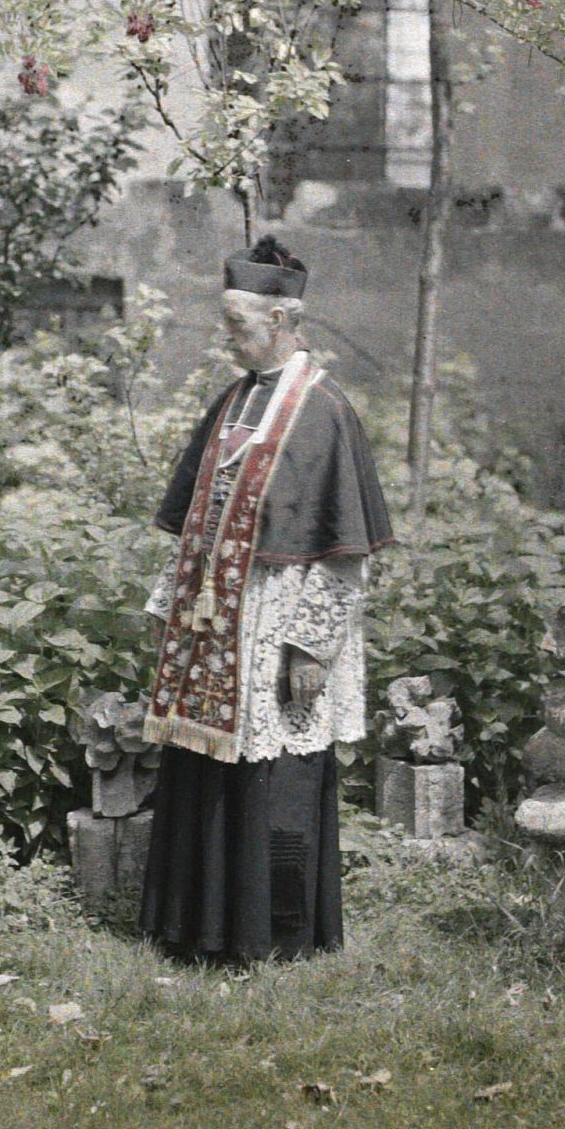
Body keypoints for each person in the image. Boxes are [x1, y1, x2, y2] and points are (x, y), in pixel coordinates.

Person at [138, 235, 395, 961]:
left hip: (280, 622)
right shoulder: (233, 400)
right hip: (215, 628)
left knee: (274, 775)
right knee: (207, 773)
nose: (227, 336)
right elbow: (195, 520)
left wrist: (311, 645)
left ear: (282, 320)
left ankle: (273, 934)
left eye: (238, 323)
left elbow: (344, 552)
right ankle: (199, 927)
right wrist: (171, 613)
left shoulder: (324, 410)